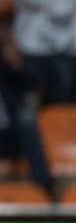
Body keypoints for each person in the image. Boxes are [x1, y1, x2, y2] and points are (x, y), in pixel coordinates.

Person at [0, 25, 54, 194]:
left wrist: (16, 63)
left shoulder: (7, 62)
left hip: (9, 135)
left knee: (27, 120)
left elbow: (35, 84)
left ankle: (44, 186)